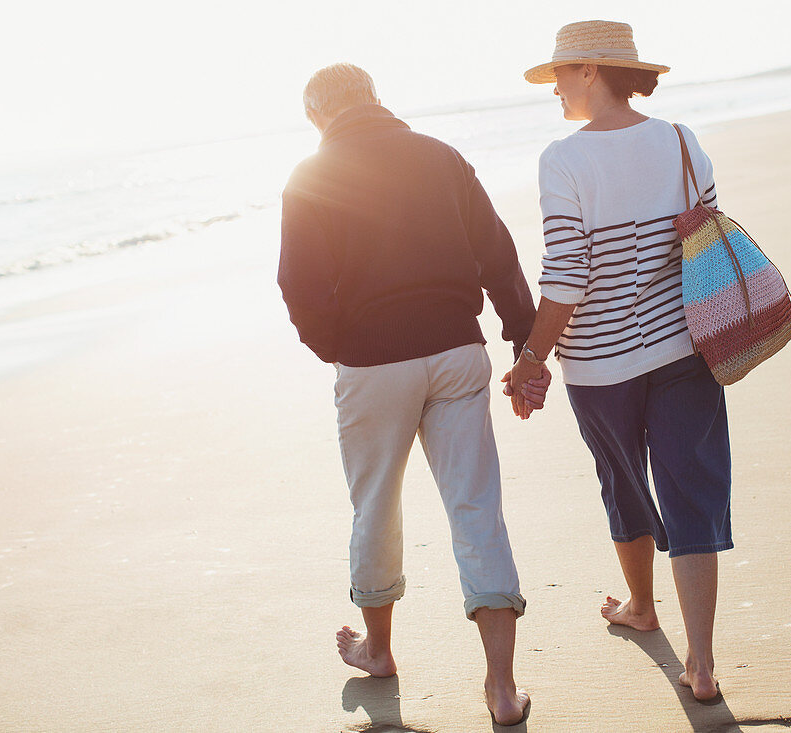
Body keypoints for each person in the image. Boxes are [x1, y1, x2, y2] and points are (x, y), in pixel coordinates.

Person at [278, 63, 548, 725]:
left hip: (372, 364)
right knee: (476, 509)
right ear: (375, 98)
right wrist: (523, 341)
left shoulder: (309, 176)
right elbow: (498, 254)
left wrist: (342, 347)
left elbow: (297, 286)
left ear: (316, 117)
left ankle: (379, 650)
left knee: (375, 505)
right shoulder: (439, 156)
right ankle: (502, 688)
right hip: (458, 351)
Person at [509, 21, 732, 702]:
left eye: (559, 76)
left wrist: (530, 356)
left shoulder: (563, 160)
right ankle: (700, 660)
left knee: (624, 482)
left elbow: (568, 273)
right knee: (690, 491)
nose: (554, 90)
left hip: (602, 366)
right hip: (685, 349)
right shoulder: (679, 140)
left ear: (588, 72)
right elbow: (709, 233)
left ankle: (641, 605)